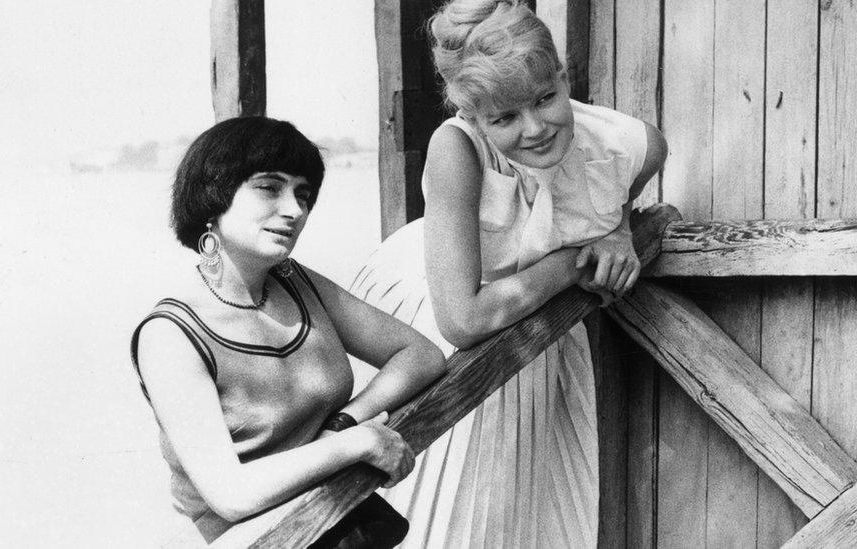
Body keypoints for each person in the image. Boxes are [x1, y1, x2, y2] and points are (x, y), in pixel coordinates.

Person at [350, 1, 668, 547]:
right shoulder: (457, 148)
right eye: (504, 118)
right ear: (474, 117)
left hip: (528, 324)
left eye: (546, 98)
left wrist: (614, 230)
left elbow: (622, 189)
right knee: (437, 510)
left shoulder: (630, 145)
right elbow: (463, 320)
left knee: (521, 511)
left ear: (563, 78)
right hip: (438, 315)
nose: (536, 127)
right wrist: (573, 261)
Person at [129, 116, 447, 545]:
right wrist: (355, 445)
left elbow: (420, 354)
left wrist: (343, 422)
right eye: (268, 187)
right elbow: (231, 494)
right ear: (213, 194)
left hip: (330, 518)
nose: (294, 210)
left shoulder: (295, 281)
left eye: (304, 194)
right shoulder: (171, 335)